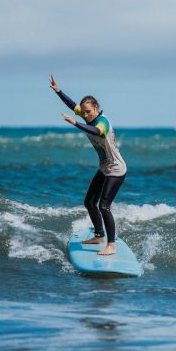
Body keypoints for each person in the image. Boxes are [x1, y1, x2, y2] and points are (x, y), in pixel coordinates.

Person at [50, 74, 126, 256]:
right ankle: (99, 235)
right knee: (89, 202)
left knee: (104, 206)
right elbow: (72, 105)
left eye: (88, 112)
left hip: (116, 170)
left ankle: (111, 245)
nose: (85, 115)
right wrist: (58, 91)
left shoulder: (102, 122)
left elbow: (96, 131)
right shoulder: (88, 116)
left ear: (96, 109)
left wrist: (75, 123)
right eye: (83, 112)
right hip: (104, 169)